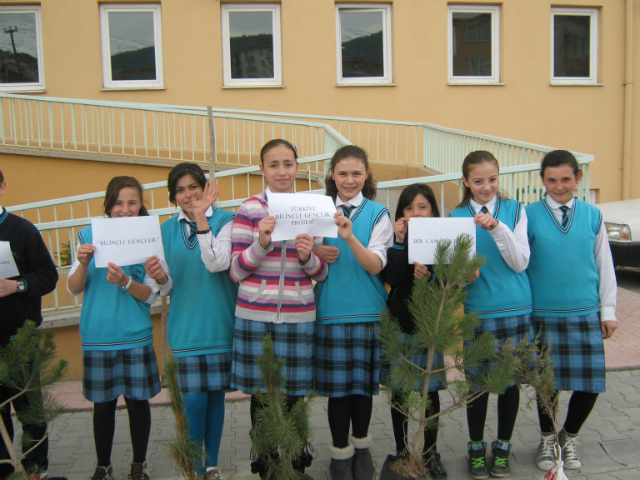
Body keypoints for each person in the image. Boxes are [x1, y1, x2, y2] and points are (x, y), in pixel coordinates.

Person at [229, 139, 328, 480]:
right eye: (274, 165)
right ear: (262, 170)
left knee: (296, 392)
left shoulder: (311, 209)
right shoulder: (249, 210)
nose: (282, 171)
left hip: (299, 314)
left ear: (297, 168)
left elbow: (321, 272)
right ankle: (266, 458)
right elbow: (236, 271)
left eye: (288, 164)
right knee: (262, 393)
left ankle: (295, 455)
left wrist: (306, 256)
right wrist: (261, 243)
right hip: (255, 315)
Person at [145, 163, 237, 480]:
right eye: (180, 190)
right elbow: (167, 287)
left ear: (205, 187)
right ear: (173, 196)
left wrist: (202, 218)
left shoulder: (227, 221)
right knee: (193, 402)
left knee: (215, 399)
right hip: (185, 329)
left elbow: (217, 263)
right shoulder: (165, 230)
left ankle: (210, 466)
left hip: (220, 325)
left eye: (193, 187)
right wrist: (160, 277)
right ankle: (193, 468)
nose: (188, 194)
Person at [526, 150, 617, 471]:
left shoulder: (593, 215)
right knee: (547, 384)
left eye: (566, 179)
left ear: (577, 178)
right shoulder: (529, 215)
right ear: (542, 181)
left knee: (590, 383)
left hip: (585, 313)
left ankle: (570, 437)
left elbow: (604, 264)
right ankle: (548, 439)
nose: (559, 186)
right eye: (551, 180)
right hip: (544, 314)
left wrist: (608, 310)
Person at [67, 176, 161, 480]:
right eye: (118, 203)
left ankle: (139, 465)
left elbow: (150, 295)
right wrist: (83, 263)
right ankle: (102, 465)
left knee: (138, 404)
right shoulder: (87, 235)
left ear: (140, 205)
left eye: (132, 202)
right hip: (98, 336)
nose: (125, 209)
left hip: (135, 335)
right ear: (108, 204)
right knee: (103, 407)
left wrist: (125, 282)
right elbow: (73, 288)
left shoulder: (149, 238)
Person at [449, 151, 532, 479]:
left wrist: (497, 228)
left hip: (515, 309)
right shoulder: (455, 217)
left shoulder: (515, 210)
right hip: (476, 312)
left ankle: (504, 446)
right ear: (466, 182)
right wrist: (461, 276)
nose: (487, 187)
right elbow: (450, 275)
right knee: (477, 386)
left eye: (493, 180)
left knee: (509, 385)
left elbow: (520, 262)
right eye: (479, 181)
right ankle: (474, 446)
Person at [313, 145, 393, 480]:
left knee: (363, 391)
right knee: (338, 392)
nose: (349, 180)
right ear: (332, 175)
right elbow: (299, 254)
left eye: (356, 173)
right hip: (329, 313)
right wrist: (313, 249)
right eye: (343, 173)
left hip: (368, 313)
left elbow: (376, 265)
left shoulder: (378, 213)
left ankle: (362, 450)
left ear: (366, 176)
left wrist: (348, 239)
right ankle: (339, 455)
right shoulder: (316, 210)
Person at [0, 170, 65, 480]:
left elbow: (48, 275)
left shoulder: (22, 230)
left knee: (31, 411)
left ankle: (35, 470)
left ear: (2, 187)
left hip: (19, 338)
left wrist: (18, 286)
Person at [380, 183, 447, 479]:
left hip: (429, 327)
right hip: (400, 323)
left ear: (432, 211)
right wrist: (397, 240)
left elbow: (451, 285)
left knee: (430, 392)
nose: (415, 213)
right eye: (409, 208)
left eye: (422, 207)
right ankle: (403, 451)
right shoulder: (397, 239)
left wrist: (430, 278)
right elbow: (390, 277)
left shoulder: (443, 239)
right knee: (400, 392)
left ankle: (431, 452)